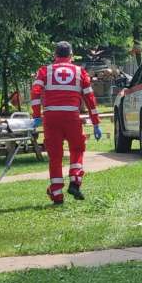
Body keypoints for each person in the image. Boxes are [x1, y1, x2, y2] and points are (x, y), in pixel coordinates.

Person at [31, 41, 102, 205]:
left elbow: (35, 93)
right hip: (72, 116)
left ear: (55, 55)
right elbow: (90, 98)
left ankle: (56, 194)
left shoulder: (45, 71)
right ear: (71, 55)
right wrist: (96, 123)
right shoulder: (80, 72)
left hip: (51, 118)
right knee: (77, 148)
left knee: (55, 156)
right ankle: (75, 180)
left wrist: (36, 115)